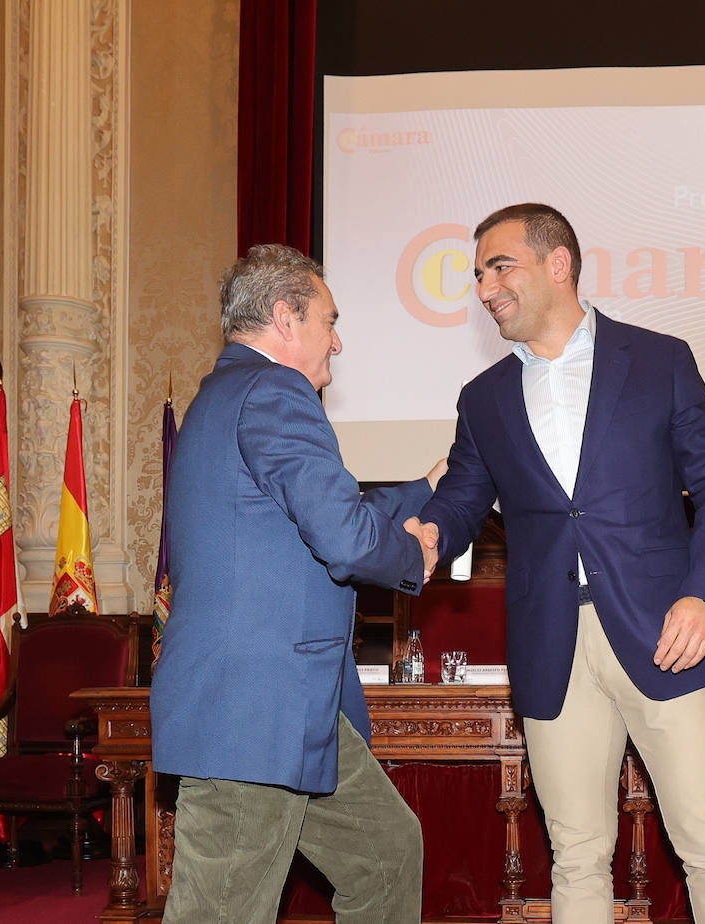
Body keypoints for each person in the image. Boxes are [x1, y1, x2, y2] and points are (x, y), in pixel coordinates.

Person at [418, 204, 705, 923]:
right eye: (478, 274)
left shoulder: (660, 360)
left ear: (558, 264)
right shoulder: (483, 400)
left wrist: (703, 596)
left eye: (498, 266)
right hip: (550, 645)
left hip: (667, 633)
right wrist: (418, 538)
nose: (484, 287)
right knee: (576, 855)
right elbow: (460, 503)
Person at [151, 243, 441, 924]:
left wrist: (425, 491)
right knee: (219, 912)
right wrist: (411, 557)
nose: (336, 342)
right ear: (285, 318)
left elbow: (303, 522)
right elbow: (341, 537)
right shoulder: (275, 391)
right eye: (328, 321)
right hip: (253, 711)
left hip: (293, 711)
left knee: (386, 852)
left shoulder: (230, 394)